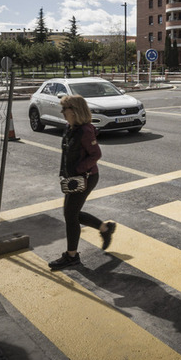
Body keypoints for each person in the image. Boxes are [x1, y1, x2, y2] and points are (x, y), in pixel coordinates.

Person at [49, 94, 116, 270]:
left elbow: (96, 154)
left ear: (75, 110)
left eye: (65, 109)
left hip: (85, 178)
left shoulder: (85, 131)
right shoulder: (70, 127)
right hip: (73, 178)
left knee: (70, 215)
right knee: (71, 213)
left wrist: (79, 169)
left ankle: (72, 256)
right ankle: (104, 228)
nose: (62, 112)